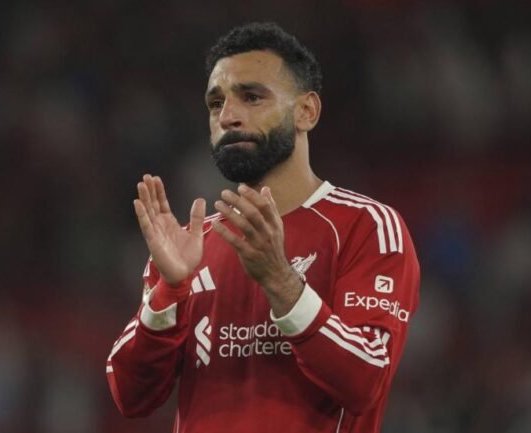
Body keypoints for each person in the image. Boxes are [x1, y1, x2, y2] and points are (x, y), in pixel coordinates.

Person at [107, 22, 420, 433]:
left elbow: (366, 381)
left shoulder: (366, 227)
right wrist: (169, 291)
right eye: (215, 104)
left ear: (306, 111)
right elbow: (130, 396)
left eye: (252, 97)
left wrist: (280, 281)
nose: (228, 117)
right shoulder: (189, 248)